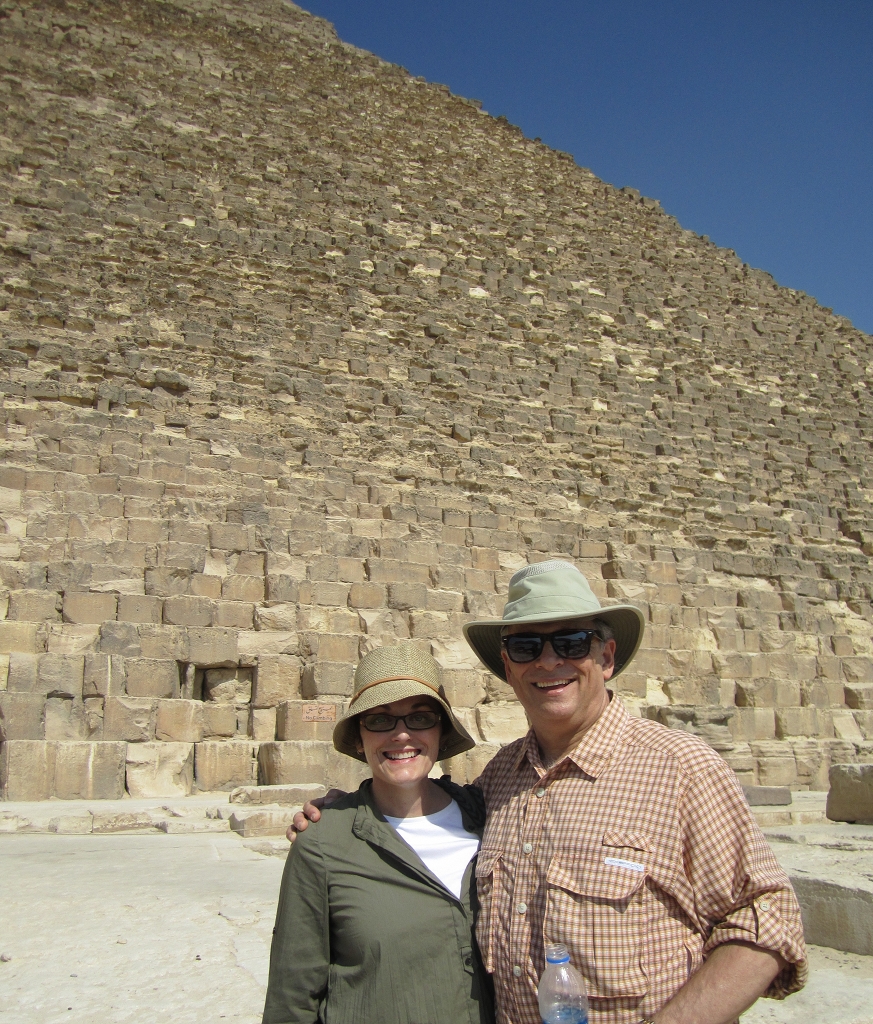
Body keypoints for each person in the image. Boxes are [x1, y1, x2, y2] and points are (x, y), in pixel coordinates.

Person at [294, 560, 807, 1024]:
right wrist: (346, 813)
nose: (547, 661)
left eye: (571, 642)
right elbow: (421, 806)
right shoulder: (500, 779)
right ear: (508, 666)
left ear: (606, 656)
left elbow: (766, 917)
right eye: (526, 647)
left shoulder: (681, 769)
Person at [262, 642, 494, 1024]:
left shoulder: (492, 816)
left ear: (441, 730)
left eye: (421, 717)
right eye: (380, 719)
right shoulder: (322, 844)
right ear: (359, 736)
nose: (401, 735)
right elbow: (292, 1001)